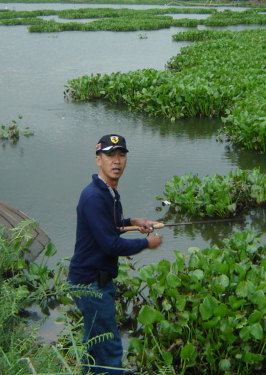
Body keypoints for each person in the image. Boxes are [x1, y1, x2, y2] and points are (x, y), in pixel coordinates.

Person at [68, 134, 163, 374]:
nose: (116, 161)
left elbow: (109, 225)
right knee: (109, 346)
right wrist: (146, 243)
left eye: (121, 155)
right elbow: (110, 245)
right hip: (91, 284)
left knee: (94, 343)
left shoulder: (108, 193)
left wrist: (133, 221)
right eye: (110, 155)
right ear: (97, 160)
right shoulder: (93, 197)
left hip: (95, 280)